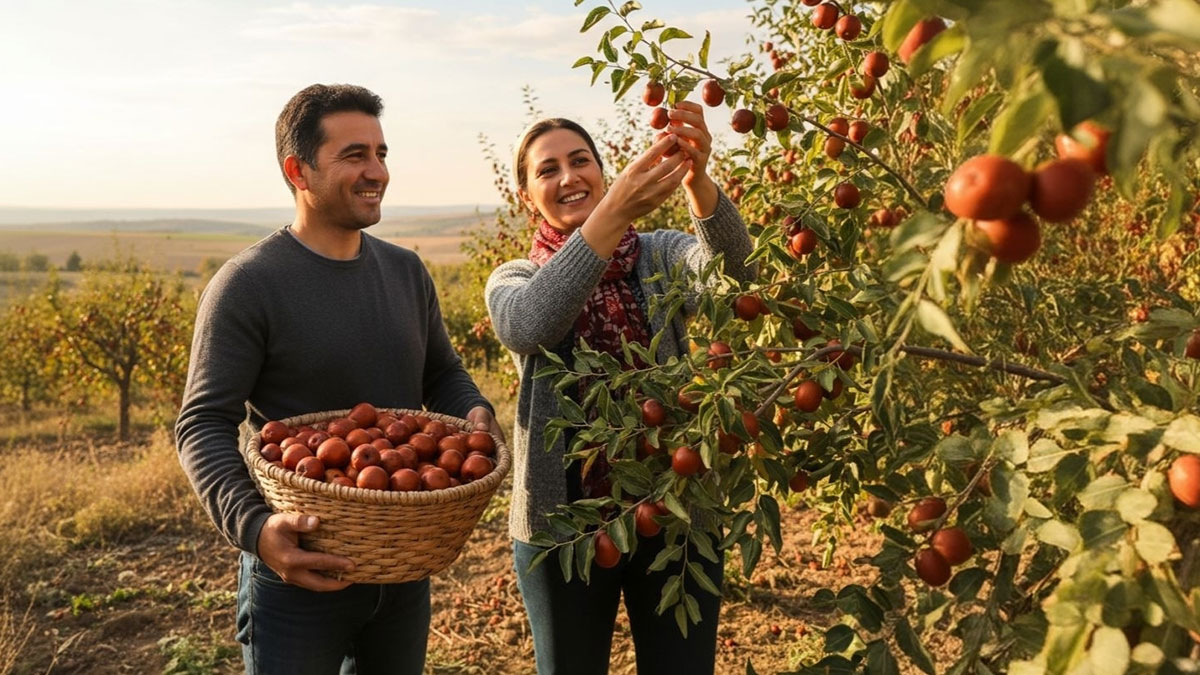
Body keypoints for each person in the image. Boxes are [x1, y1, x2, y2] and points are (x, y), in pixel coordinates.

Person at [174, 83, 501, 675]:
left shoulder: (405, 271)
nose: (377, 171)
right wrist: (256, 529)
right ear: (297, 170)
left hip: (400, 564)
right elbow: (201, 423)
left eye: (381, 153)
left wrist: (473, 411)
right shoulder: (249, 283)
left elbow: (442, 373)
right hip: (296, 574)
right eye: (355, 155)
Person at [485, 101, 755, 675]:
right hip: (564, 530)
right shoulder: (514, 278)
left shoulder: (658, 253)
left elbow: (733, 281)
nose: (567, 176)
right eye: (547, 169)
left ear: (604, 174)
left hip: (676, 510)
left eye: (580, 160)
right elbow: (532, 323)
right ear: (526, 195)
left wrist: (698, 179)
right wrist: (611, 216)